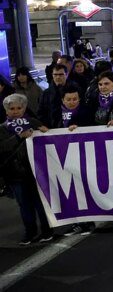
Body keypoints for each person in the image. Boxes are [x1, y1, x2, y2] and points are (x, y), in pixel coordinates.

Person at [0, 94, 52, 245]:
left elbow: (49, 141)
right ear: (6, 111)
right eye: (12, 108)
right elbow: (1, 148)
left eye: (19, 108)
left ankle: (47, 231)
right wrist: (18, 137)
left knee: (40, 203)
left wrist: (46, 132)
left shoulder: (34, 122)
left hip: (36, 171)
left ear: (24, 109)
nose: (15, 111)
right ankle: (30, 232)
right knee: (24, 205)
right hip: (15, 174)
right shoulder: (2, 129)